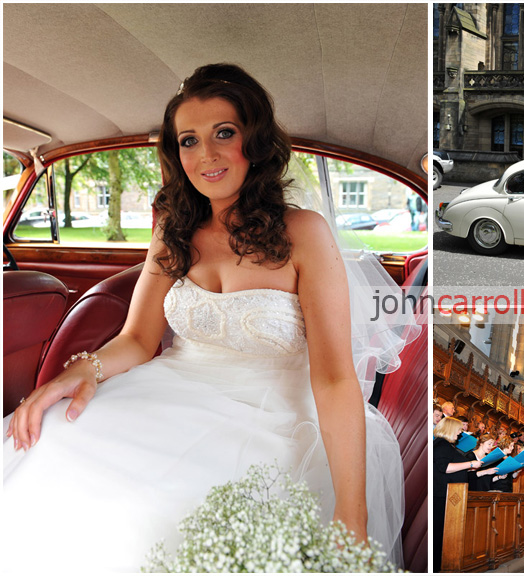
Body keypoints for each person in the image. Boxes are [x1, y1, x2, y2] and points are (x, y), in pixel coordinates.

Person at [4, 64, 414, 571]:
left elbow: (333, 379)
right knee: (47, 447)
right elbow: (136, 339)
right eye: (189, 141)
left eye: (224, 133)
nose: (207, 156)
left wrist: (353, 513)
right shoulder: (173, 231)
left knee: (148, 515)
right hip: (169, 390)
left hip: (277, 416)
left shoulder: (304, 233)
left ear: (256, 142)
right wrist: (73, 375)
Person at [434, 417, 485, 572]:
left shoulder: (448, 445)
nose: (460, 432)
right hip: (442, 494)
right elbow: (444, 467)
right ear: (450, 429)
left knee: (445, 534)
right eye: (458, 429)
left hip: (450, 495)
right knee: (439, 534)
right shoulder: (442, 444)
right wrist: (470, 464)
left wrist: (467, 468)